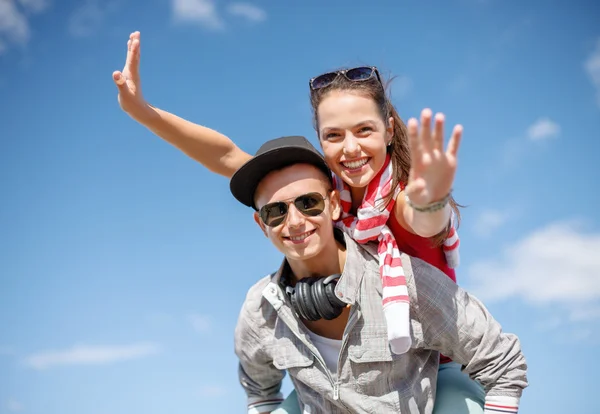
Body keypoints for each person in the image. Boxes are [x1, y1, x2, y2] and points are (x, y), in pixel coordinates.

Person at [111, 32, 482, 412]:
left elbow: (422, 219)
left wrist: (432, 196)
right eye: (334, 135)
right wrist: (143, 111)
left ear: (389, 129)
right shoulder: (316, 196)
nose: (350, 148)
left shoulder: (402, 199)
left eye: (364, 130)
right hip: (357, 375)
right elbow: (225, 155)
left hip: (436, 368)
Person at [228, 135, 527, 414]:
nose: (294, 222)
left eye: (309, 203)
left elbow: (502, 360)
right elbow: (259, 391)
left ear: (333, 205)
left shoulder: (403, 282)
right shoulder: (260, 308)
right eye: (275, 211)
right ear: (260, 223)